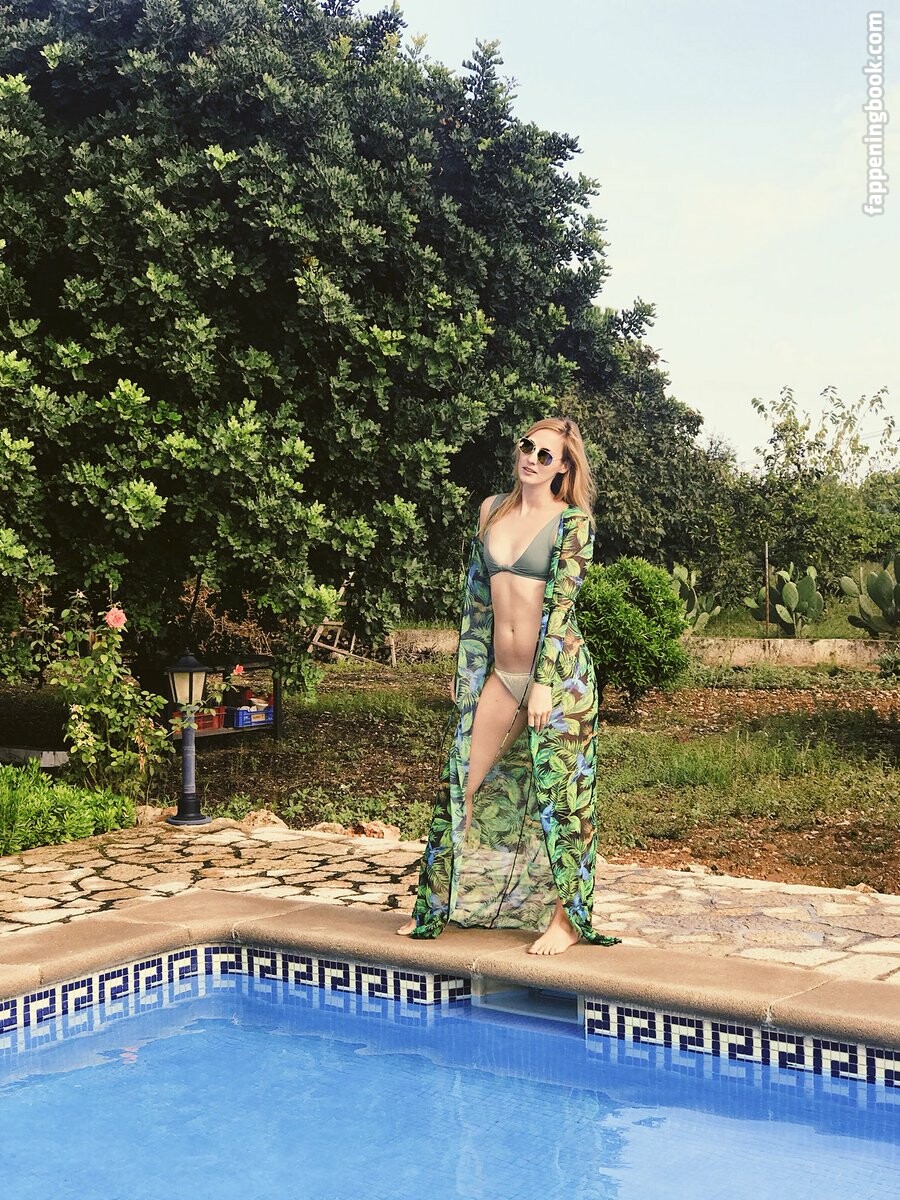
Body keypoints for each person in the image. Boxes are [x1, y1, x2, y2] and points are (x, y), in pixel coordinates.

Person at [398, 417, 620, 956]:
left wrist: (543, 684)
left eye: (546, 455)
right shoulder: (491, 511)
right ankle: (434, 907)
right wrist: (467, 674)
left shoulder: (573, 522)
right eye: (527, 447)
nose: (532, 459)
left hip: (560, 680)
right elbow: (477, 602)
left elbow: (561, 608)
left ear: (562, 467)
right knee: (460, 785)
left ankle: (567, 920)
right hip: (501, 673)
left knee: (564, 800)